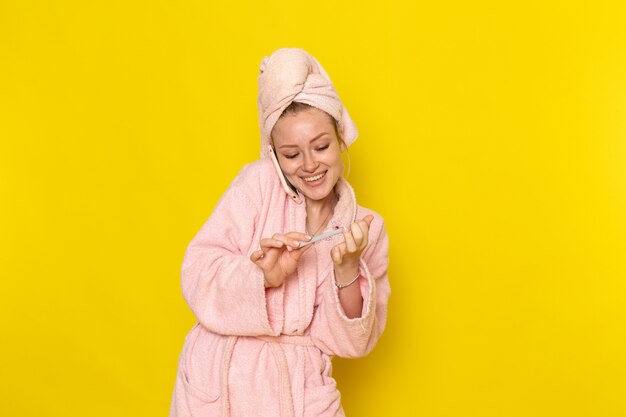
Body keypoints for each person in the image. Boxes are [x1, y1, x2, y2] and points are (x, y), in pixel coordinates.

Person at [169, 48, 391, 417]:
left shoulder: (367, 227)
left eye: (320, 147)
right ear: (274, 154)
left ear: (340, 138)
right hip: (221, 380)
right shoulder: (255, 185)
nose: (309, 166)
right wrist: (262, 276)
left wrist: (348, 270)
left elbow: (354, 342)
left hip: (299, 390)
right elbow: (196, 271)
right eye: (291, 154)